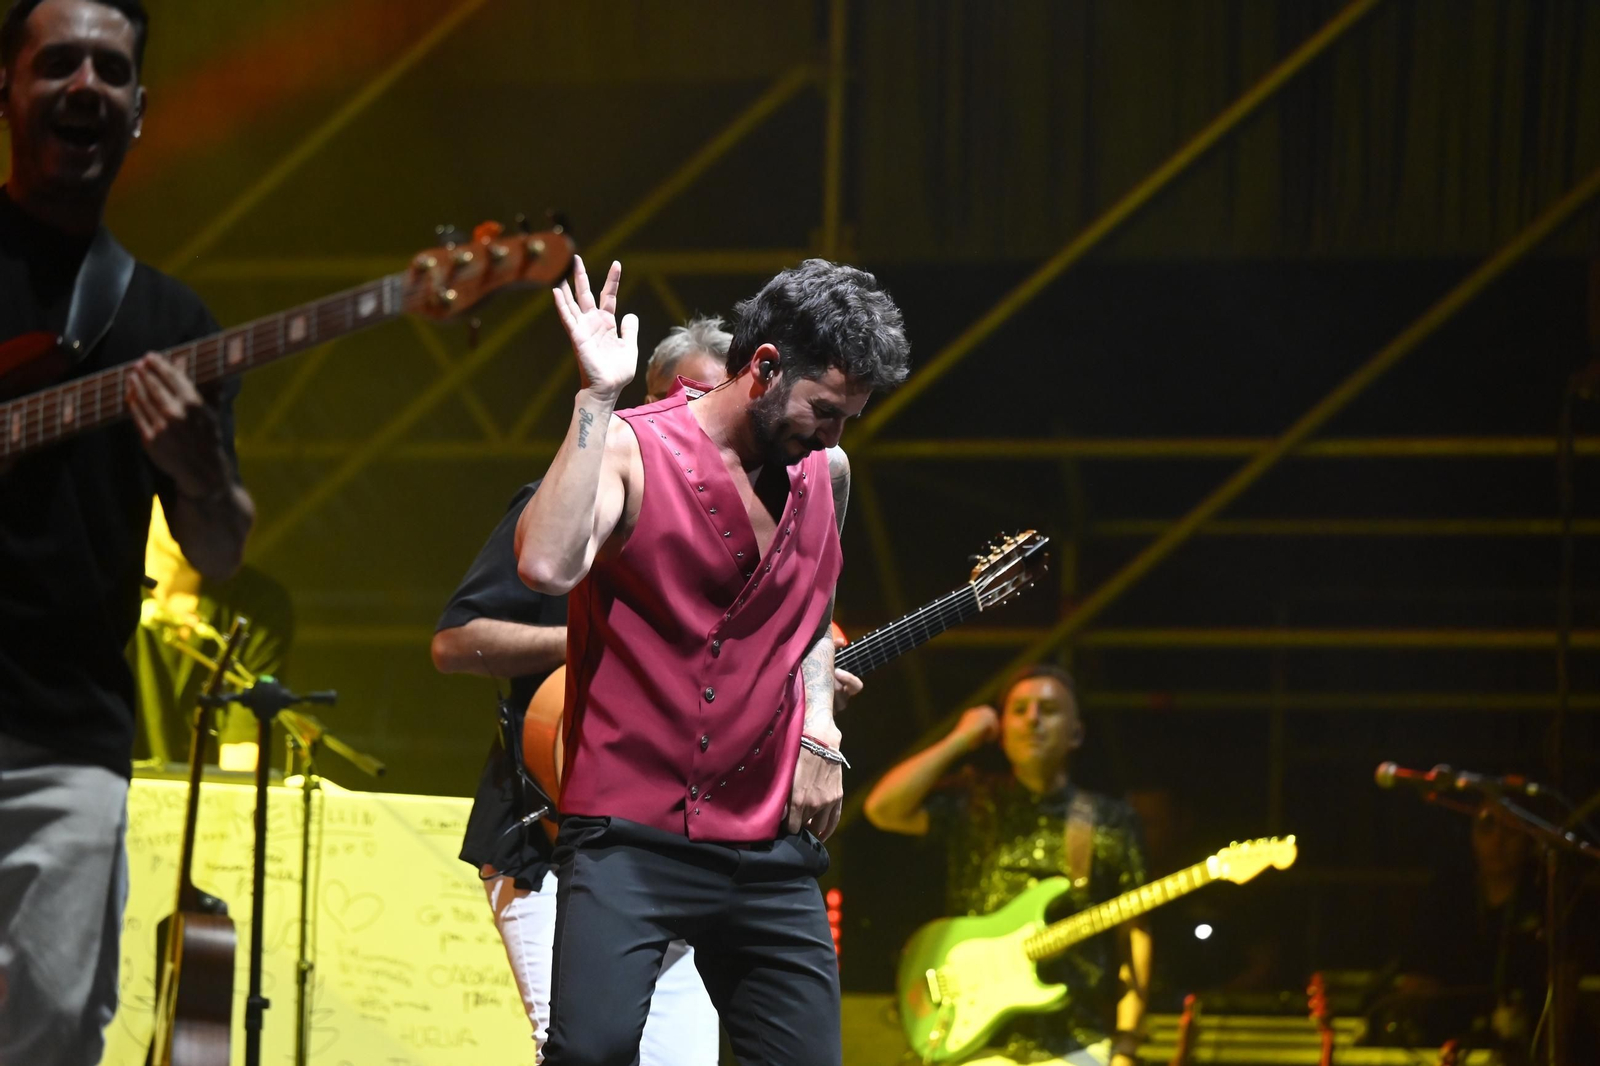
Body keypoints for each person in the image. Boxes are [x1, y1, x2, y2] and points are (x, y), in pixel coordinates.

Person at [514, 255, 909, 1065]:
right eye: (825, 409)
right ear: (764, 367)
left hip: (766, 841)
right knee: (588, 1054)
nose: (835, 434)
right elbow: (547, 567)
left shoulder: (826, 474)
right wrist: (594, 398)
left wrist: (820, 729)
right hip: (630, 832)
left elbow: (811, 616)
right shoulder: (633, 449)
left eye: (850, 417)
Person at [0, 1, 254, 1062]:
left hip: (65, 744)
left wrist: (201, 475)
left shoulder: (171, 326)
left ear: (139, 111)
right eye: (59, 62)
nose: (86, 85)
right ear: (7, 90)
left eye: (112, 69)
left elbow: (222, 548)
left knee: (50, 1035)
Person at [431, 317, 735, 1064]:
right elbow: (454, 642)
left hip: (664, 848)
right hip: (544, 830)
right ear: (651, 401)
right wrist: (595, 641)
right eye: (692, 396)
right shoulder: (570, 502)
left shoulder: (736, 536)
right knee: (576, 1048)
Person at [865, 665, 1152, 1066]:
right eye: (1019, 709)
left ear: (1076, 732)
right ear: (1001, 730)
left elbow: (1132, 932)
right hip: (972, 1037)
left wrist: (1126, 1045)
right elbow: (882, 809)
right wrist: (960, 739)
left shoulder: (1109, 819)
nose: (1033, 718)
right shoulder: (974, 801)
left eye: (1048, 709)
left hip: (1073, 1040)